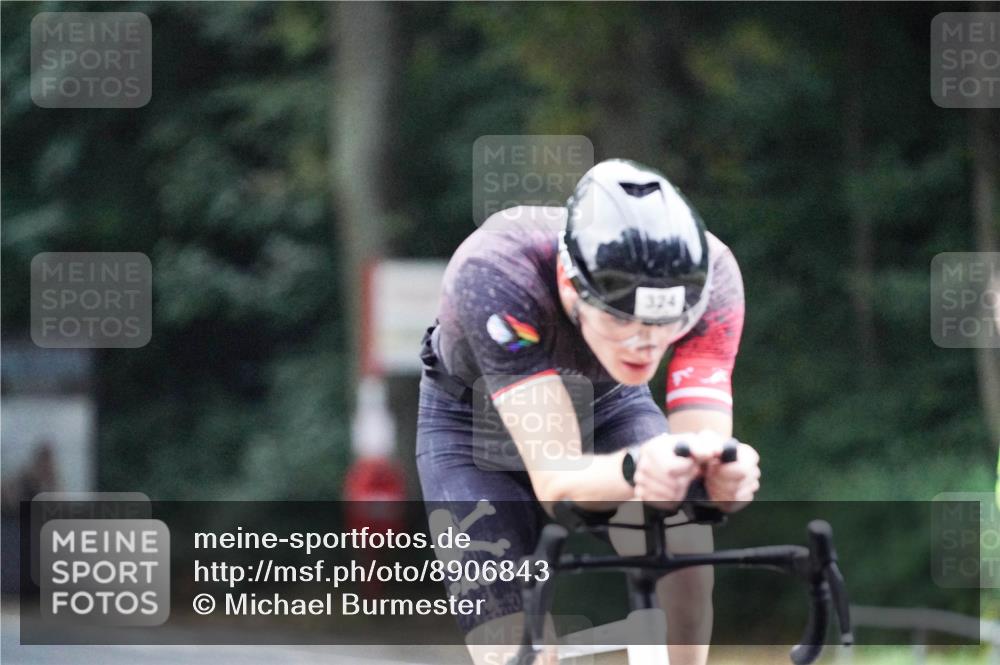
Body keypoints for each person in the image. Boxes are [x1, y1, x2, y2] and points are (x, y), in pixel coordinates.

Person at [416, 159, 761, 665]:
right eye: (623, 319)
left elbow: (699, 460)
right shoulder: (497, 271)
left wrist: (720, 478)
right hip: (470, 424)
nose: (646, 344)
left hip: (607, 401)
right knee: (515, 648)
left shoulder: (714, 278)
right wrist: (636, 469)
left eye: (666, 323)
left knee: (686, 540)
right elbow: (556, 479)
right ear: (569, 284)